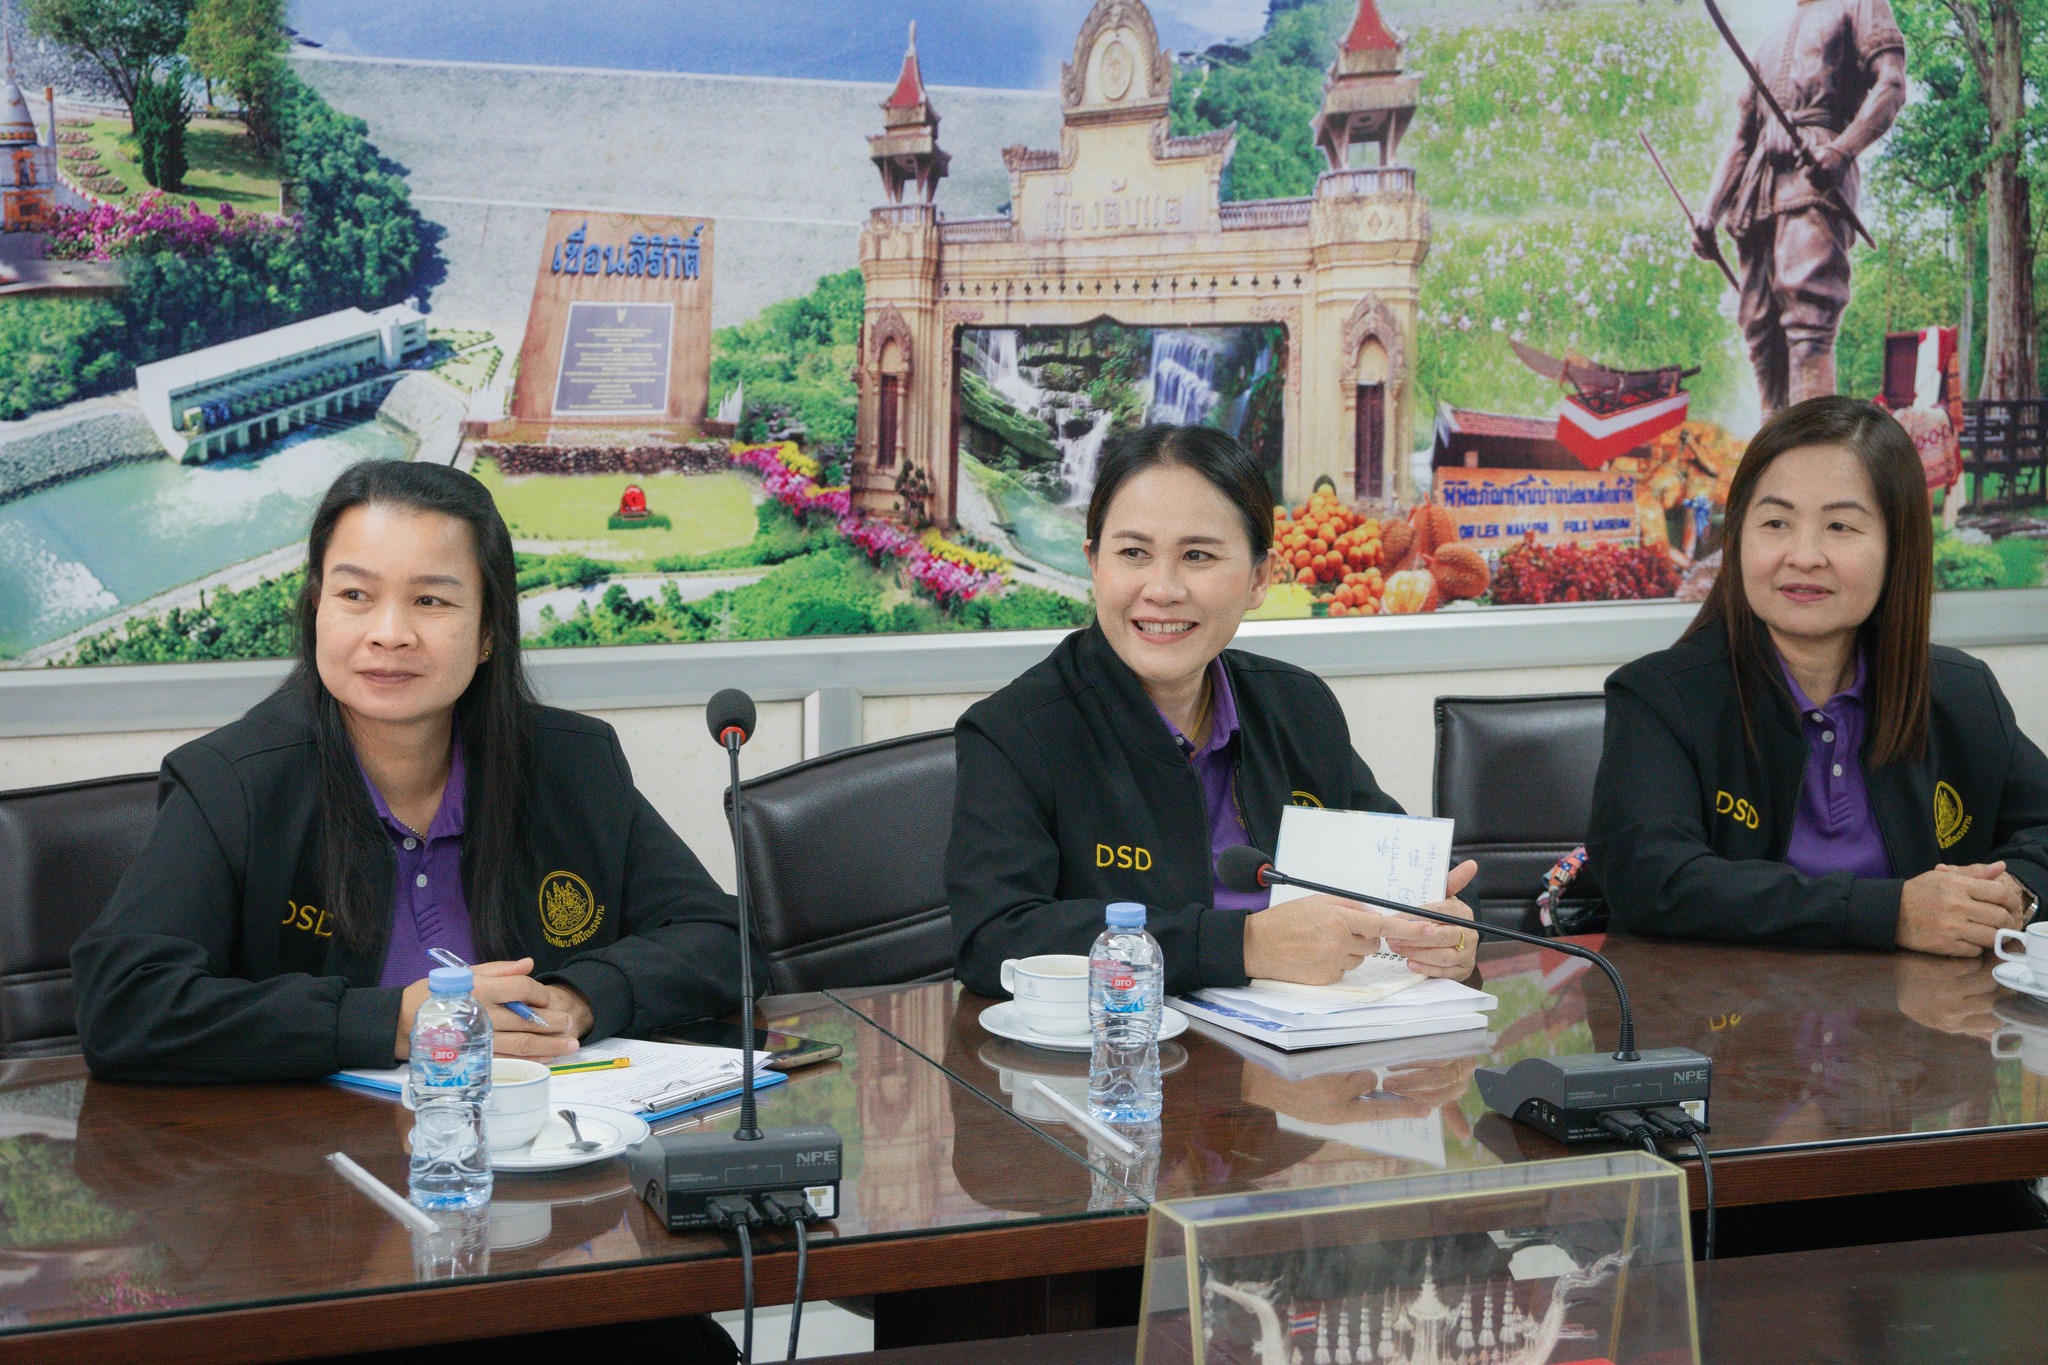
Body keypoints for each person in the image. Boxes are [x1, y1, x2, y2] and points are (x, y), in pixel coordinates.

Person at [73, 460, 745, 1083]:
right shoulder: (233, 782)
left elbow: (722, 939)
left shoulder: (573, 762)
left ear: (487, 632)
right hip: (316, 1183)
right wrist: (392, 1022)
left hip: (542, 1158)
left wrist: (582, 998)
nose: (389, 632)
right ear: (317, 611)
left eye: (431, 601)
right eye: (356, 595)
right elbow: (124, 1004)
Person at [947, 424, 1478, 998]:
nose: (1163, 588)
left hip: (1308, 1059)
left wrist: (1441, 929)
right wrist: (1243, 944)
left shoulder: (1299, 707)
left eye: (1197, 555)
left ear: (1258, 578)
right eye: (1133, 554)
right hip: (1120, 1067)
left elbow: (1400, 874)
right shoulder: (1014, 732)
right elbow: (993, 941)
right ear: (1093, 564)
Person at [1589, 396, 2048, 952]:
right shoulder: (1660, 698)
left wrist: (2016, 895)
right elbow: (1654, 880)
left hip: (1928, 1027)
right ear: (1738, 538)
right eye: (1776, 522)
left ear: (1897, 547)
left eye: (1840, 526)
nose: (1804, 555)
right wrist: (1888, 913)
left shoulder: (1960, 692)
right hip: (1724, 1026)